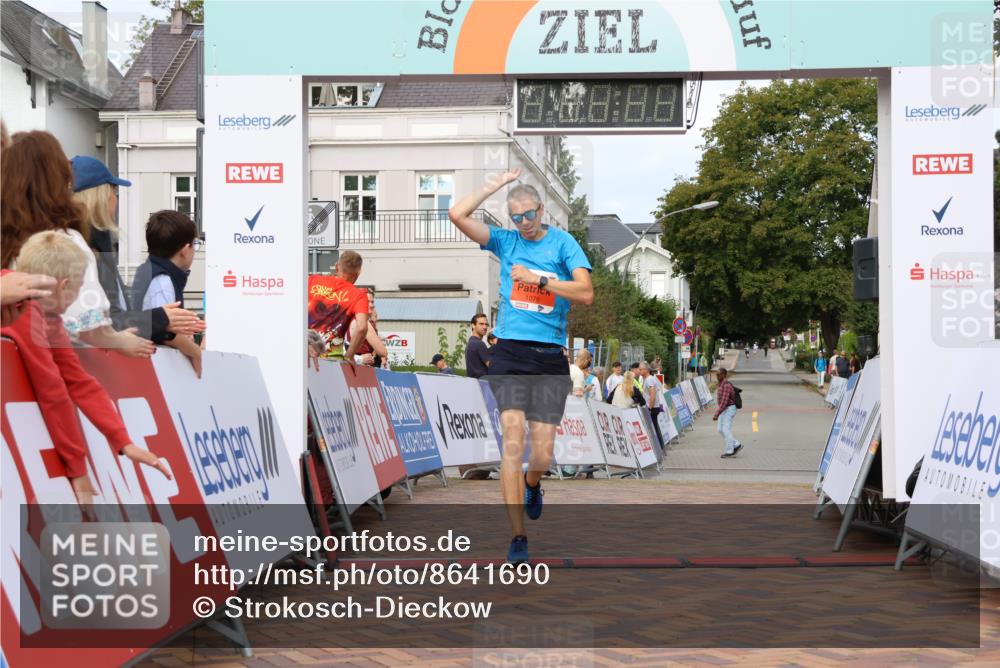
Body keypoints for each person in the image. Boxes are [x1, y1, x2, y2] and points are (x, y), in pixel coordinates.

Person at [449, 168, 593, 564]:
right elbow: (457, 215)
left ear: (542, 210)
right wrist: (493, 186)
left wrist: (539, 281)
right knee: (512, 440)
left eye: (530, 215)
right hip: (510, 351)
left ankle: (534, 483)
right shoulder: (505, 241)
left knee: (542, 455)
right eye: (516, 217)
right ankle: (517, 537)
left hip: (548, 357)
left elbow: (585, 293)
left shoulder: (564, 244)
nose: (525, 224)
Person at [1, 231, 172, 510]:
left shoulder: (48, 318)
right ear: (65, 287)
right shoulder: (30, 315)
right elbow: (53, 392)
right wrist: (78, 470)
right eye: (79, 290)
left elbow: (79, 381)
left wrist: (122, 440)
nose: (77, 299)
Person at [1, 130, 153, 357]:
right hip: (51, 366)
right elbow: (86, 323)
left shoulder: (7, 241)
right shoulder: (64, 241)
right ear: (59, 178)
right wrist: (119, 341)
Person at [71, 156, 203, 347]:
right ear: (100, 197)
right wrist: (161, 319)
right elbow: (98, 323)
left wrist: (164, 325)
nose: (116, 200)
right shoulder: (83, 249)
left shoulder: (95, 247)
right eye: (114, 192)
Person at [131, 210, 203, 376]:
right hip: (157, 370)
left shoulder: (152, 273)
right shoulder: (163, 281)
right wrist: (194, 350)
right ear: (185, 250)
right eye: (195, 244)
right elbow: (164, 331)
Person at [307, 251, 369, 362]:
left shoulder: (312, 280)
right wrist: (350, 355)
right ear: (358, 273)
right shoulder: (359, 295)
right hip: (331, 359)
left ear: (337, 266)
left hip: (305, 353)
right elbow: (362, 328)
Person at [348, 289, 388, 367]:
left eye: (372, 302)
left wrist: (374, 323)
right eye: (367, 301)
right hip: (360, 369)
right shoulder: (363, 322)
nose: (371, 305)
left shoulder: (351, 319)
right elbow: (383, 352)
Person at [712, 367, 743, 458]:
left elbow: (725, 402)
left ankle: (730, 451)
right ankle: (736, 444)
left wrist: (717, 414)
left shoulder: (726, 385)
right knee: (720, 429)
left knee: (726, 429)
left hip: (729, 409)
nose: (717, 376)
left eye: (719, 374)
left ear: (724, 375)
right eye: (716, 374)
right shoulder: (721, 384)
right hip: (724, 409)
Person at [637, 361, 666, 447]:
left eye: (640, 369)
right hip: (654, 407)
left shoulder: (649, 379)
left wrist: (650, 408)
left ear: (646, 370)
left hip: (652, 408)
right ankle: (660, 446)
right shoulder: (650, 378)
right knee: (655, 427)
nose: (639, 371)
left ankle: (659, 447)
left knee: (653, 428)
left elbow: (652, 395)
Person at [465, 313, 491, 379]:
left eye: (486, 324)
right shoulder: (479, 344)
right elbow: (492, 366)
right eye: (481, 324)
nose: (485, 327)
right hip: (481, 384)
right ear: (473, 325)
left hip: (474, 384)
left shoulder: (471, 342)